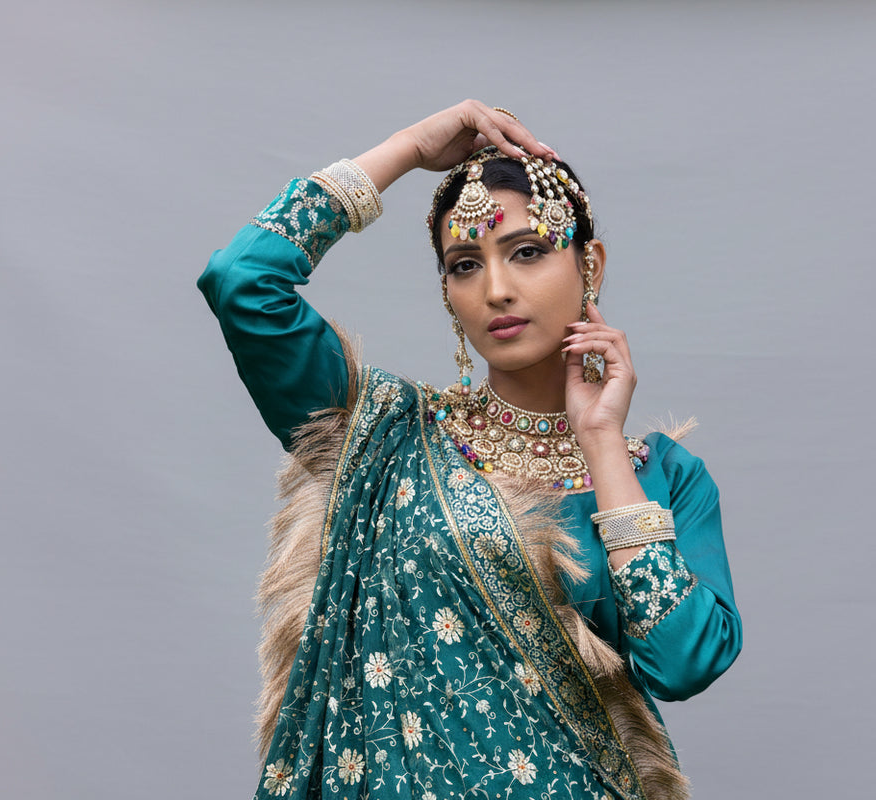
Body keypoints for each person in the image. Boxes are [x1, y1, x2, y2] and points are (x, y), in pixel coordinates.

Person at [198, 100, 741, 800]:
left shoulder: (661, 476)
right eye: (464, 264)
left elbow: (684, 662)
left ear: (590, 264)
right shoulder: (388, 436)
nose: (496, 289)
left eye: (527, 251)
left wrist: (601, 442)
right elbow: (243, 281)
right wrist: (407, 146)